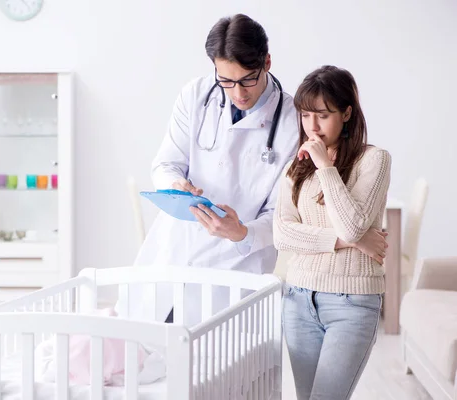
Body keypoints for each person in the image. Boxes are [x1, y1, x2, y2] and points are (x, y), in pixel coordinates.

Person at [116, 14, 299, 327]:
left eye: (247, 80)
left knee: (217, 364)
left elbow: (284, 214)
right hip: (176, 250)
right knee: (142, 353)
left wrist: (242, 232)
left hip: (236, 267)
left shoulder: (292, 122)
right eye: (226, 80)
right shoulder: (196, 95)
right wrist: (175, 183)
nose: (237, 92)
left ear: (266, 62)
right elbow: (166, 162)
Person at [273, 65, 391, 400]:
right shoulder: (295, 165)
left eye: (323, 115)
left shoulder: (375, 160)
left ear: (347, 113)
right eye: (305, 115)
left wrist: (326, 166)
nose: (312, 126)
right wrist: (347, 242)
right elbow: (282, 235)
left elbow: (352, 224)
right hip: (298, 299)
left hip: (352, 304)